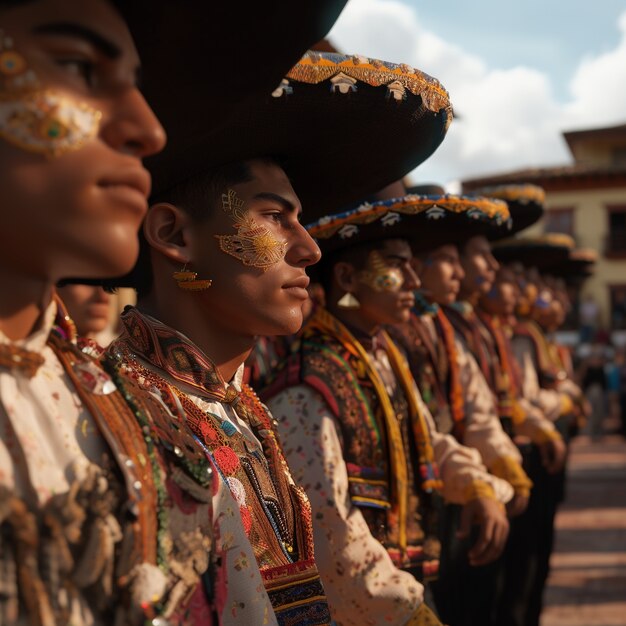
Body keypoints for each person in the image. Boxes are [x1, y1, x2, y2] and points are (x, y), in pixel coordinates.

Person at [0, 1, 350, 623]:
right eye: (80, 68)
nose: (147, 129)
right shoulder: (146, 406)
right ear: (173, 235)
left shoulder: (120, 410)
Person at [104, 50, 454, 624]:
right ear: (174, 234)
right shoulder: (119, 416)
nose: (308, 248)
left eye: (300, 220)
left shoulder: (237, 408)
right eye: (273, 216)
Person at [262, 197, 513, 626]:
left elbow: (426, 438)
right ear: (346, 277)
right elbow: (328, 522)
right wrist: (400, 608)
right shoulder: (311, 381)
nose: (414, 280)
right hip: (363, 605)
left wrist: (477, 486)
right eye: (398, 265)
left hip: (399, 582)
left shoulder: (380, 354)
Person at [383, 187, 530, 626]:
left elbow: (477, 406)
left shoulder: (440, 324)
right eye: (446, 258)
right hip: (416, 502)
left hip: (452, 483)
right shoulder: (388, 332)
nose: (493, 267)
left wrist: (503, 465)